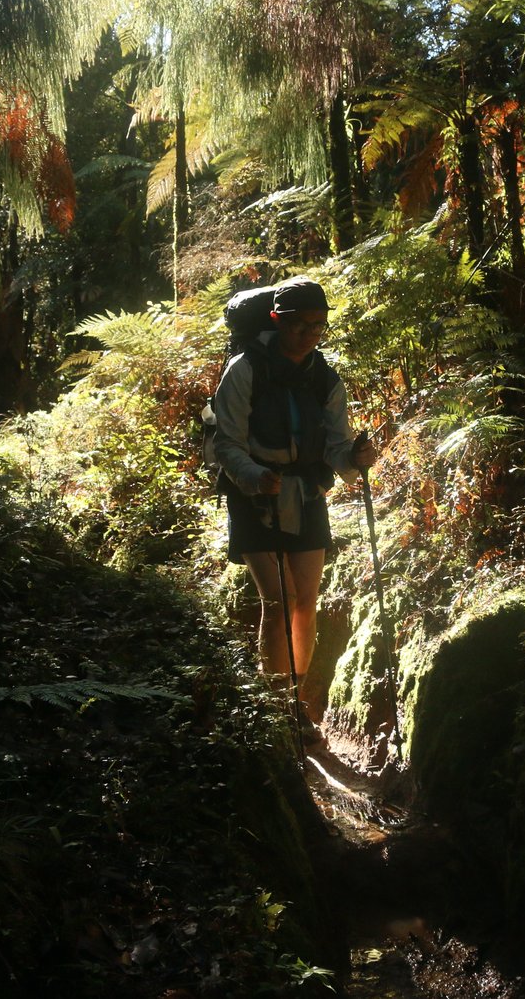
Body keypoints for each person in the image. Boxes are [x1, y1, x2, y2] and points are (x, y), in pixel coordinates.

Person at [211, 276, 376, 732]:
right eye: (299, 324)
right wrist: (252, 476)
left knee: (306, 602)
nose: (308, 334)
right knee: (278, 600)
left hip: (305, 494)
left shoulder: (323, 376)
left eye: (318, 325)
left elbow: (337, 446)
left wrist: (357, 458)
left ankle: (298, 702)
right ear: (276, 321)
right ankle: (277, 705)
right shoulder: (244, 369)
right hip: (254, 496)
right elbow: (227, 443)